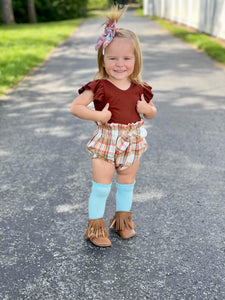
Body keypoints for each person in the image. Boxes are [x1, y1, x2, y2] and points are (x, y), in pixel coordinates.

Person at [70, 6, 157, 247]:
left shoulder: (141, 88)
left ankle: (122, 223)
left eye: (126, 58)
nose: (120, 64)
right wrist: (100, 114)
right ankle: (96, 228)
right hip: (107, 141)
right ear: (103, 60)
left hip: (132, 142)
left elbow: (152, 110)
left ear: (136, 59)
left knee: (127, 184)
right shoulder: (98, 86)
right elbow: (76, 107)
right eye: (113, 58)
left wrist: (146, 110)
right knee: (101, 187)